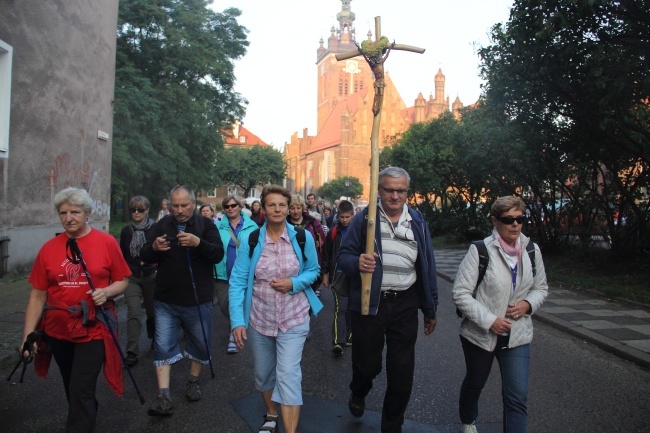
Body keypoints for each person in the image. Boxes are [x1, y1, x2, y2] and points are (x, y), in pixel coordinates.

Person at [337, 166, 439, 433]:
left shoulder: (417, 221)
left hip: (405, 303)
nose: (395, 195)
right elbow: (343, 257)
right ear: (379, 190)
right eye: (389, 190)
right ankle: (359, 390)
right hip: (370, 302)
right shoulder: (365, 220)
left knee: (402, 371)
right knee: (367, 365)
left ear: (407, 192)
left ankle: (392, 425)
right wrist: (357, 261)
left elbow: (427, 265)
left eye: (400, 190)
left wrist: (430, 309)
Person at [22, 187, 131, 432]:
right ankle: (86, 412)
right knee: (72, 384)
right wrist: (27, 336)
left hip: (93, 327)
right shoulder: (49, 248)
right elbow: (38, 295)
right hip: (58, 330)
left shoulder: (106, 243)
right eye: (63, 212)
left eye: (75, 212)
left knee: (81, 386)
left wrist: (107, 292)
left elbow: (123, 280)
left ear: (87, 213)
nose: (68, 217)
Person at [229, 185, 322, 433]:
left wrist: (294, 283)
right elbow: (237, 281)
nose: (278, 209)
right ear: (264, 208)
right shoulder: (251, 240)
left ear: (289, 207)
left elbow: (314, 271)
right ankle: (271, 413)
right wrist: (237, 321)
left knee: (289, 374)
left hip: (294, 317)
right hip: (260, 319)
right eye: (272, 204)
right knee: (263, 374)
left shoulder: (303, 238)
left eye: (282, 204)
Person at [452, 196, 548, 433]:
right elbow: (461, 293)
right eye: (508, 219)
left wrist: (528, 303)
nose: (515, 225)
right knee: (475, 383)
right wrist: (490, 321)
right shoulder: (480, 250)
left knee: (517, 396)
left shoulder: (532, 250)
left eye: (520, 219)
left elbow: (541, 287)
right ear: (495, 221)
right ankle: (468, 419)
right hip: (480, 335)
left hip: (517, 334)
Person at [140, 185, 224, 416]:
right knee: (163, 345)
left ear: (194, 203)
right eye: (175, 205)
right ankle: (164, 396)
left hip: (197, 300)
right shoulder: (162, 224)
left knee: (200, 342)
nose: (179, 210)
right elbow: (144, 254)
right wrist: (154, 247)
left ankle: (193, 382)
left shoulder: (205, 225)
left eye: (184, 205)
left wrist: (199, 243)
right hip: (166, 298)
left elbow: (218, 253)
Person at [214, 194, 258, 354]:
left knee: (242, 302)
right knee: (224, 305)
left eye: (233, 205)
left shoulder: (252, 226)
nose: (230, 208)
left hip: (244, 274)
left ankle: (234, 333)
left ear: (240, 207)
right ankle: (236, 324)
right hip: (223, 273)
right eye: (227, 206)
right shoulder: (217, 227)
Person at [119, 195, 157, 367]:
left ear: (147, 210)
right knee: (133, 313)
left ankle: (155, 339)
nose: (136, 212)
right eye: (133, 209)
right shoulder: (127, 231)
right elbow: (123, 255)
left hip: (151, 275)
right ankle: (132, 351)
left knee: (152, 312)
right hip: (132, 276)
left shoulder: (155, 228)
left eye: (140, 209)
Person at [321, 200, 355, 355]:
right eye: (342, 217)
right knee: (340, 308)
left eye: (348, 217)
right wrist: (325, 274)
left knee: (351, 308)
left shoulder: (359, 231)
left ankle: (348, 335)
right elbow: (326, 254)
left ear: (353, 216)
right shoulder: (334, 232)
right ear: (338, 216)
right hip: (338, 274)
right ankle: (338, 341)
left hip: (354, 274)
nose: (345, 220)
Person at [288, 194, 326, 297]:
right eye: (292, 208)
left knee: (309, 300)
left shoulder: (313, 223)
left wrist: (323, 270)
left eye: (298, 208)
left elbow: (323, 244)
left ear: (303, 208)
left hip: (310, 267)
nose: (295, 211)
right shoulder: (283, 223)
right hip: (290, 268)